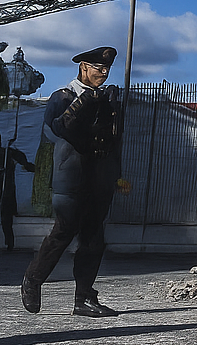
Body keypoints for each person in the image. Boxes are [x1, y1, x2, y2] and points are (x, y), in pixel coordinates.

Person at [22, 46, 129, 318]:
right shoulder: (63, 96)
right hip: (71, 177)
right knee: (63, 232)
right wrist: (85, 103)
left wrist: (116, 175)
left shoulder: (108, 99)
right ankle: (33, 280)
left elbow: (114, 140)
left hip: (100, 178)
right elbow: (56, 129)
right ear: (83, 67)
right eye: (98, 68)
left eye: (107, 69)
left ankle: (83, 298)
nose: (103, 73)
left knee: (94, 239)